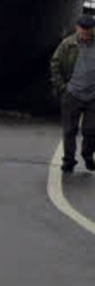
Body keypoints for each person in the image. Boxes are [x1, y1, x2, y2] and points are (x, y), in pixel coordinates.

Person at [50, 10, 95, 173]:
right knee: (69, 130)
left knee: (91, 130)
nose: (84, 32)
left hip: (92, 97)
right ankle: (68, 160)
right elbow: (55, 64)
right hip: (72, 94)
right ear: (77, 28)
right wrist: (62, 87)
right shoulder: (67, 45)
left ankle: (88, 155)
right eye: (82, 28)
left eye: (88, 29)